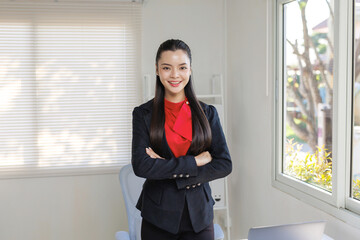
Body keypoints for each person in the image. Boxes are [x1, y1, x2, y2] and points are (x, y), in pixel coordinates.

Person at [131, 39, 232, 240]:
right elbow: (141, 166)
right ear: (157, 70)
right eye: (167, 68)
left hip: (199, 216)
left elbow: (224, 164)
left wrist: (168, 170)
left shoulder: (208, 113)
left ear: (190, 70)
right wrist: (195, 161)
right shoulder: (143, 114)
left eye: (182, 67)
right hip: (158, 217)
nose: (175, 75)